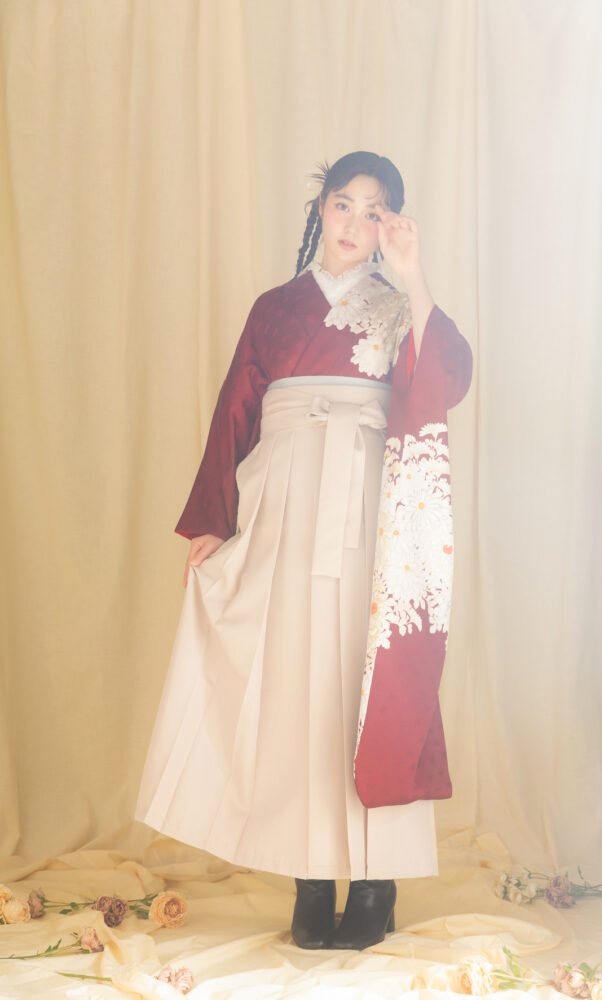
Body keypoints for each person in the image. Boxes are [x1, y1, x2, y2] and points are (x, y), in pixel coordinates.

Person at [135, 151, 473, 951]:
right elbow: (236, 408)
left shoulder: (397, 307)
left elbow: (448, 378)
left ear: (390, 224)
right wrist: (213, 518)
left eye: (373, 210)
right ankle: (310, 875)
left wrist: (413, 276)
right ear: (321, 208)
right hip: (283, 503)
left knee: (363, 671)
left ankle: (377, 880)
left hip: (365, 499)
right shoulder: (275, 309)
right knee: (293, 677)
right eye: (343, 204)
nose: (354, 223)